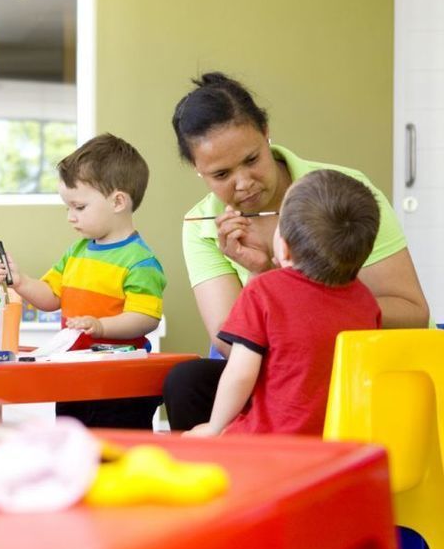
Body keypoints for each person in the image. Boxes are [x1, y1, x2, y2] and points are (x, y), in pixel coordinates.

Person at [164, 72, 429, 431]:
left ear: (266, 132)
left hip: (360, 364)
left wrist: (291, 289)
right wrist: (261, 276)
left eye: (252, 159)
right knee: (186, 382)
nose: (243, 183)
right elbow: (232, 343)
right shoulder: (201, 224)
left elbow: (413, 312)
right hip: (273, 369)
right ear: (199, 171)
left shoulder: (342, 194)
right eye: (222, 174)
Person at [184, 170, 382, 437]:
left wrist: (214, 428)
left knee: (189, 444)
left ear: (285, 249)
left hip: (270, 443)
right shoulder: (366, 301)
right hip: (339, 443)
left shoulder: (264, 291)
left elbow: (240, 374)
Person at [0, 133, 166, 428]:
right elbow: (50, 297)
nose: (71, 217)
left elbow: (146, 317)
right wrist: (21, 281)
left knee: (116, 449)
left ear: (118, 201)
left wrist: (101, 327)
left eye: (79, 207)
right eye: (67, 208)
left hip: (120, 383)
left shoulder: (139, 261)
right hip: (75, 374)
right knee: (75, 446)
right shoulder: (76, 252)